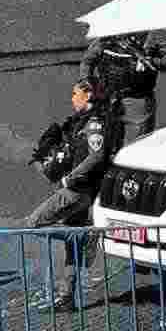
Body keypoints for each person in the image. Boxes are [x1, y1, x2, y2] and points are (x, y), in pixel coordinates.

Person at [23, 79, 120, 311]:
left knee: (32, 223)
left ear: (88, 95)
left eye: (76, 94)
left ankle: (83, 235)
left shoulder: (94, 122)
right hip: (82, 190)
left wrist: (70, 178)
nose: (72, 98)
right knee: (71, 248)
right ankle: (67, 297)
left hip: (77, 190)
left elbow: (96, 155)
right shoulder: (80, 121)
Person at [80, 29, 166, 142]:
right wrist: (87, 81)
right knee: (106, 142)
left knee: (139, 144)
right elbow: (87, 62)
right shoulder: (107, 40)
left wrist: (150, 61)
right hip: (108, 100)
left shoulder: (154, 40)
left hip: (139, 102)